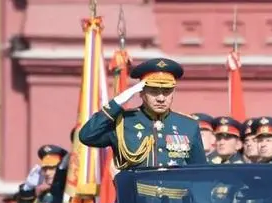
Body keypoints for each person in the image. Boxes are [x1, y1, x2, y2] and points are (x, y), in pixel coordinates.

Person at [78, 57, 206, 169]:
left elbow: (199, 173)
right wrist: (117, 102)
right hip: (136, 190)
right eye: (154, 91)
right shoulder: (123, 122)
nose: (161, 98)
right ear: (141, 92)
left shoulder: (188, 125)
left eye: (167, 91)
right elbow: (87, 136)